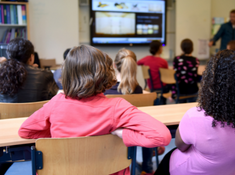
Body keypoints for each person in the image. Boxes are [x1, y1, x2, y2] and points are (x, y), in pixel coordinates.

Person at [6, 45, 171, 175]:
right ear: (105, 74)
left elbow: (25, 131)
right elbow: (161, 137)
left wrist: (58, 137)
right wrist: (122, 134)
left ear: (67, 75)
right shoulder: (118, 107)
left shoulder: (56, 103)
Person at [154, 50, 235, 175]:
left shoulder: (195, 117)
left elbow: (181, 146)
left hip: (195, 171)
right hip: (233, 169)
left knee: (169, 157)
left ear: (210, 82)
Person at [105, 48, 157, 175]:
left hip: (110, 135)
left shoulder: (106, 90)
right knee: (146, 126)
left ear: (113, 66)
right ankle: (148, 167)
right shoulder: (138, 89)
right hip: (134, 132)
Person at [0, 38, 58, 103]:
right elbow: (53, 99)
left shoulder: (2, 74)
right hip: (35, 112)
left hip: (7, 113)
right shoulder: (46, 75)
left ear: (9, 57)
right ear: (31, 58)